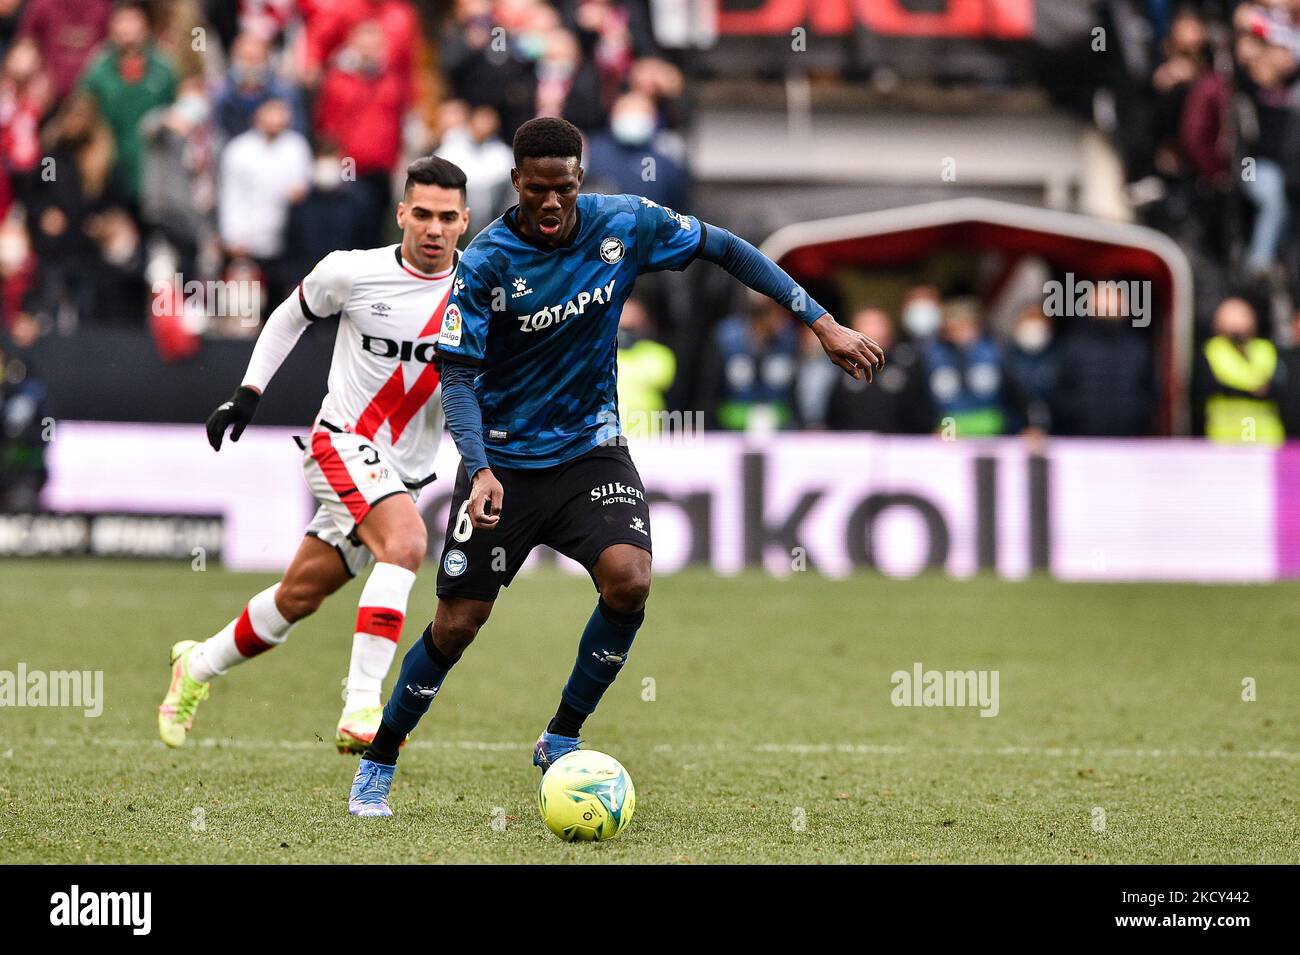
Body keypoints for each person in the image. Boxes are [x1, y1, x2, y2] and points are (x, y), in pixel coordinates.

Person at [346, 116, 883, 816]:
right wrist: (477, 468)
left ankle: (561, 734)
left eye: (562, 188)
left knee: (629, 579)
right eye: (536, 189)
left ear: (580, 178)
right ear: (515, 183)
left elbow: (724, 247)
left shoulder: (625, 224)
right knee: (456, 625)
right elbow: (457, 378)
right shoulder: (485, 263)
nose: (549, 203)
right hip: (503, 467)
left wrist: (819, 320)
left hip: (591, 450)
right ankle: (380, 758)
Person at [157, 156, 470, 752]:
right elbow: (287, 317)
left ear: (464, 221)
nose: (433, 228)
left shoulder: (480, 288)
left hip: (405, 473)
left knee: (297, 596)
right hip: (342, 442)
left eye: (447, 218)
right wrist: (247, 394)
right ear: (401, 213)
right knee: (405, 545)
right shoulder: (352, 272)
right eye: (422, 214)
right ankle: (360, 706)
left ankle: (195, 666)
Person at [1194, 295, 1284, 444]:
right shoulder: (1212, 350)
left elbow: (1280, 386)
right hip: (1225, 438)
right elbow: (1206, 387)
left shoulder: (1265, 349)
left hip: (1266, 437)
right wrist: (1251, 389)